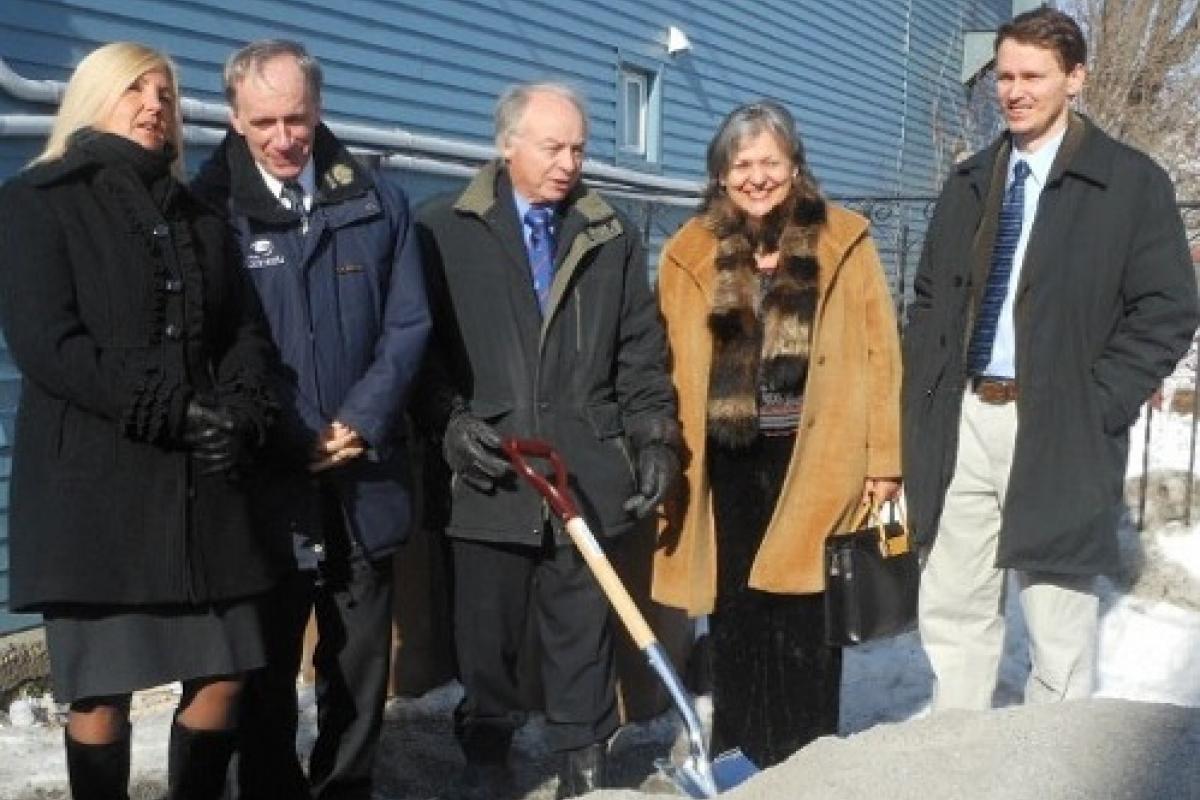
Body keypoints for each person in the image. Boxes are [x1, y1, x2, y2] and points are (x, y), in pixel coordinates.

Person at [0, 42, 278, 800]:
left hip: (202, 492)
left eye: (165, 92)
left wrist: (241, 409)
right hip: (93, 491)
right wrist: (173, 408)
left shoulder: (201, 216)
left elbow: (245, 334)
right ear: (94, 97)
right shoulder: (37, 200)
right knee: (100, 694)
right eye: (135, 89)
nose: (155, 104)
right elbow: (48, 346)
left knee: (224, 676)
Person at [903, 6, 1199, 712]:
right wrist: (928, 386)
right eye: (1004, 75)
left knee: (1057, 622)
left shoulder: (1128, 184)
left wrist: (1100, 400)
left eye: (1032, 75)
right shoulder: (971, 181)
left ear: (1076, 78)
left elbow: (1167, 309)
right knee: (954, 605)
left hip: (1060, 422)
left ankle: (1047, 773)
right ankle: (957, 758)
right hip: (966, 417)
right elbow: (927, 298)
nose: (1014, 90)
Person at [415, 82, 681, 799]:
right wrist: (449, 423)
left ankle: (584, 769)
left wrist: (654, 438)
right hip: (491, 473)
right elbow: (423, 354)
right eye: (552, 146)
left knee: (581, 637)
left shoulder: (610, 234)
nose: (569, 162)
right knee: (486, 640)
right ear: (507, 144)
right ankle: (485, 762)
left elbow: (639, 353)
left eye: (579, 148)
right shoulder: (443, 229)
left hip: (583, 470)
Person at [191, 40, 431, 800]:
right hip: (269, 479)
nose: (283, 136)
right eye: (263, 120)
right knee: (264, 664)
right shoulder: (210, 216)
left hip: (365, 472)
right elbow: (218, 344)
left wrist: (359, 419)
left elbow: (408, 325)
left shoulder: (375, 201)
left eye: (297, 117)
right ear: (233, 117)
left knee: (359, 661)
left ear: (319, 110)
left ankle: (346, 786)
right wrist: (295, 433)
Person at [651, 100, 902, 768]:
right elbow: (667, 358)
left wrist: (886, 460)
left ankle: (807, 758)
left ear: (795, 165)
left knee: (806, 616)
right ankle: (741, 754)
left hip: (820, 457)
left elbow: (882, 355)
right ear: (720, 173)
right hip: (727, 460)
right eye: (742, 164)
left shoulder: (844, 239)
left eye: (771, 161)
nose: (757, 176)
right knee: (735, 613)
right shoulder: (690, 251)